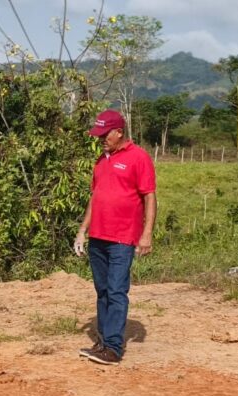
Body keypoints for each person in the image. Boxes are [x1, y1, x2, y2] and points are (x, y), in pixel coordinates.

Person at [74, 109, 157, 365]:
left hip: (122, 237)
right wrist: (82, 230)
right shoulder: (101, 160)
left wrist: (146, 234)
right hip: (98, 234)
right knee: (102, 290)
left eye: (104, 134)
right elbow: (95, 197)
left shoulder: (138, 158)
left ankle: (113, 348)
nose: (100, 139)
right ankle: (102, 340)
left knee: (117, 290)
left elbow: (150, 197)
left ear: (119, 132)